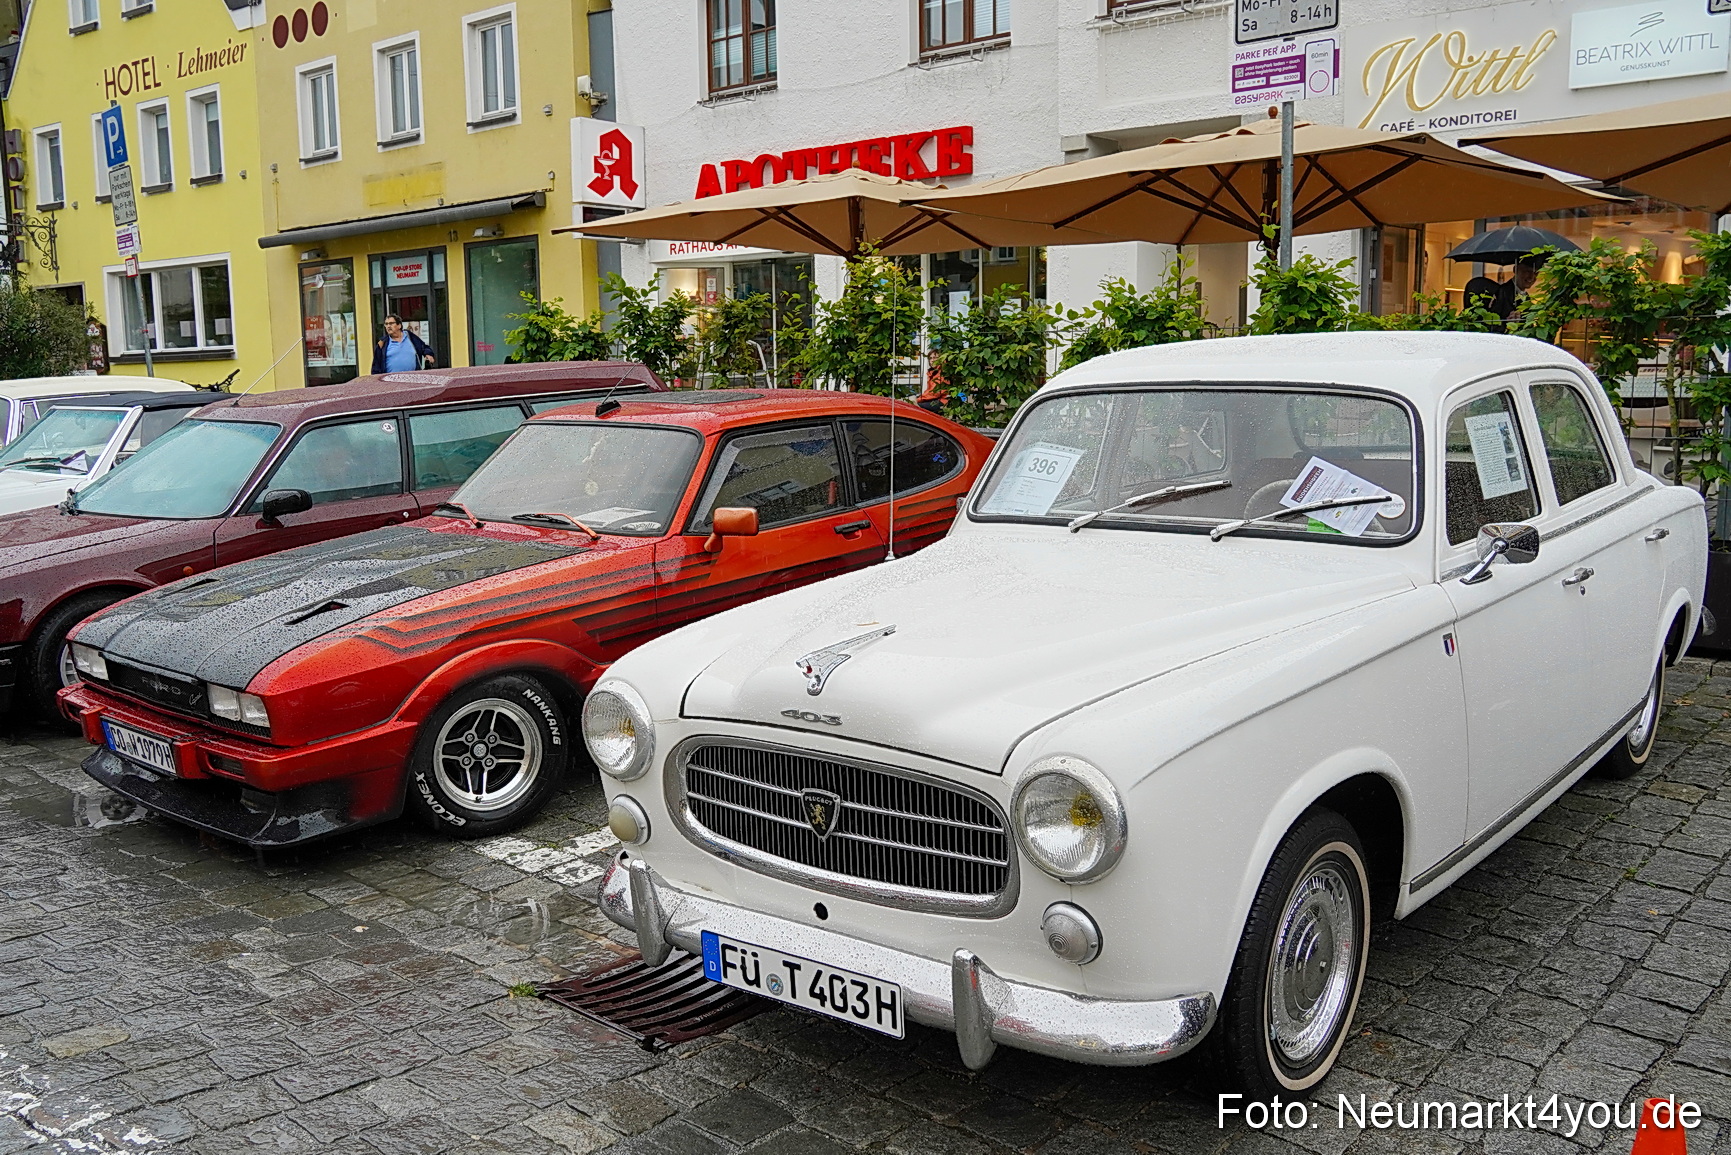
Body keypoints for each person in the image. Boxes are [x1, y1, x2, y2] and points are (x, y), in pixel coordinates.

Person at [371, 314, 435, 374]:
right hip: (391, 382)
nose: (388, 326)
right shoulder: (382, 343)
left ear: (399, 325)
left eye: (391, 323)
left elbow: (424, 347)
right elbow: (376, 366)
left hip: (413, 380)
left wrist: (428, 354)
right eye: (386, 324)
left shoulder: (410, 337)